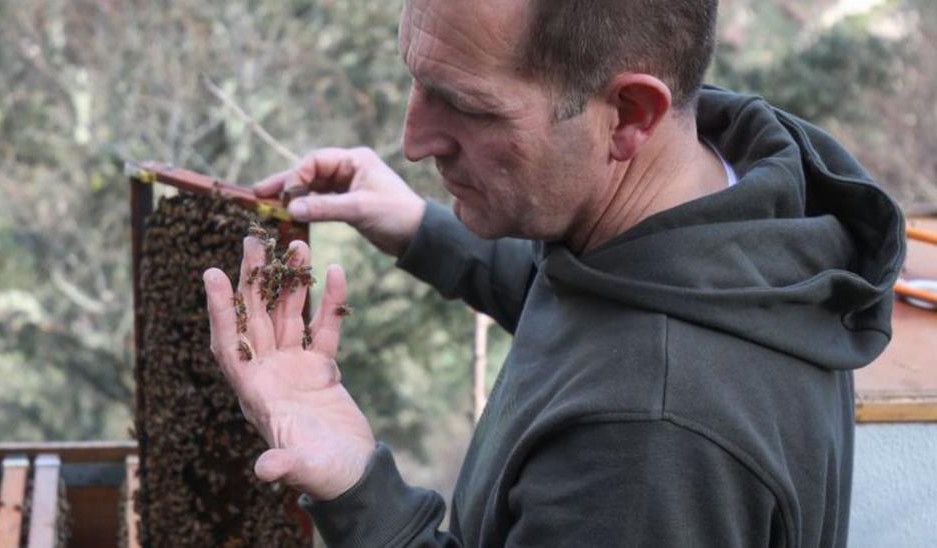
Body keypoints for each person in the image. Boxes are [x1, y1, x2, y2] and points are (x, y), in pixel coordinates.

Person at [202, 0, 905, 546]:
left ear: (630, 113)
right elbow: (587, 311)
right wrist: (424, 231)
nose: (413, 142)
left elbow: (625, 368)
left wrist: (357, 488)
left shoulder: (648, 439)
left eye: (468, 106)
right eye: (419, 83)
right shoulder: (720, 212)